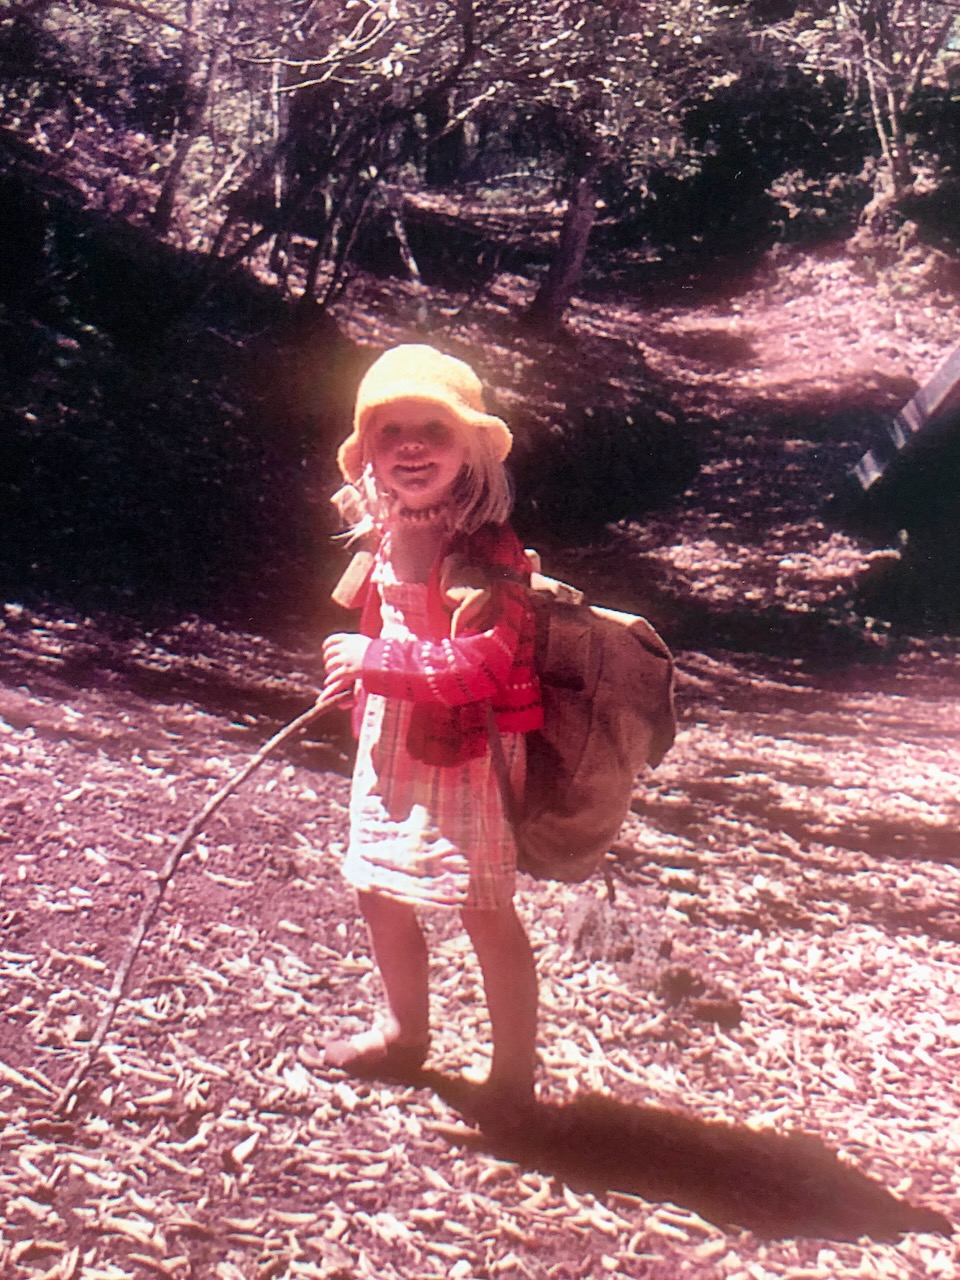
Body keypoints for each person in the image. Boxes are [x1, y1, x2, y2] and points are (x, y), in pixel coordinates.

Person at [321, 343, 544, 1117]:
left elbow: (486, 665)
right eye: (390, 431)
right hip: (395, 734)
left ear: (472, 449)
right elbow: (383, 621)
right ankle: (402, 1032)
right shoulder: (386, 528)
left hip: (470, 744)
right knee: (377, 886)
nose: (411, 447)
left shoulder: (486, 547)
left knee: (482, 904)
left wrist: (376, 662)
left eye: (434, 430)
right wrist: (358, 680)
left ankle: (512, 1075)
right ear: (368, 451)